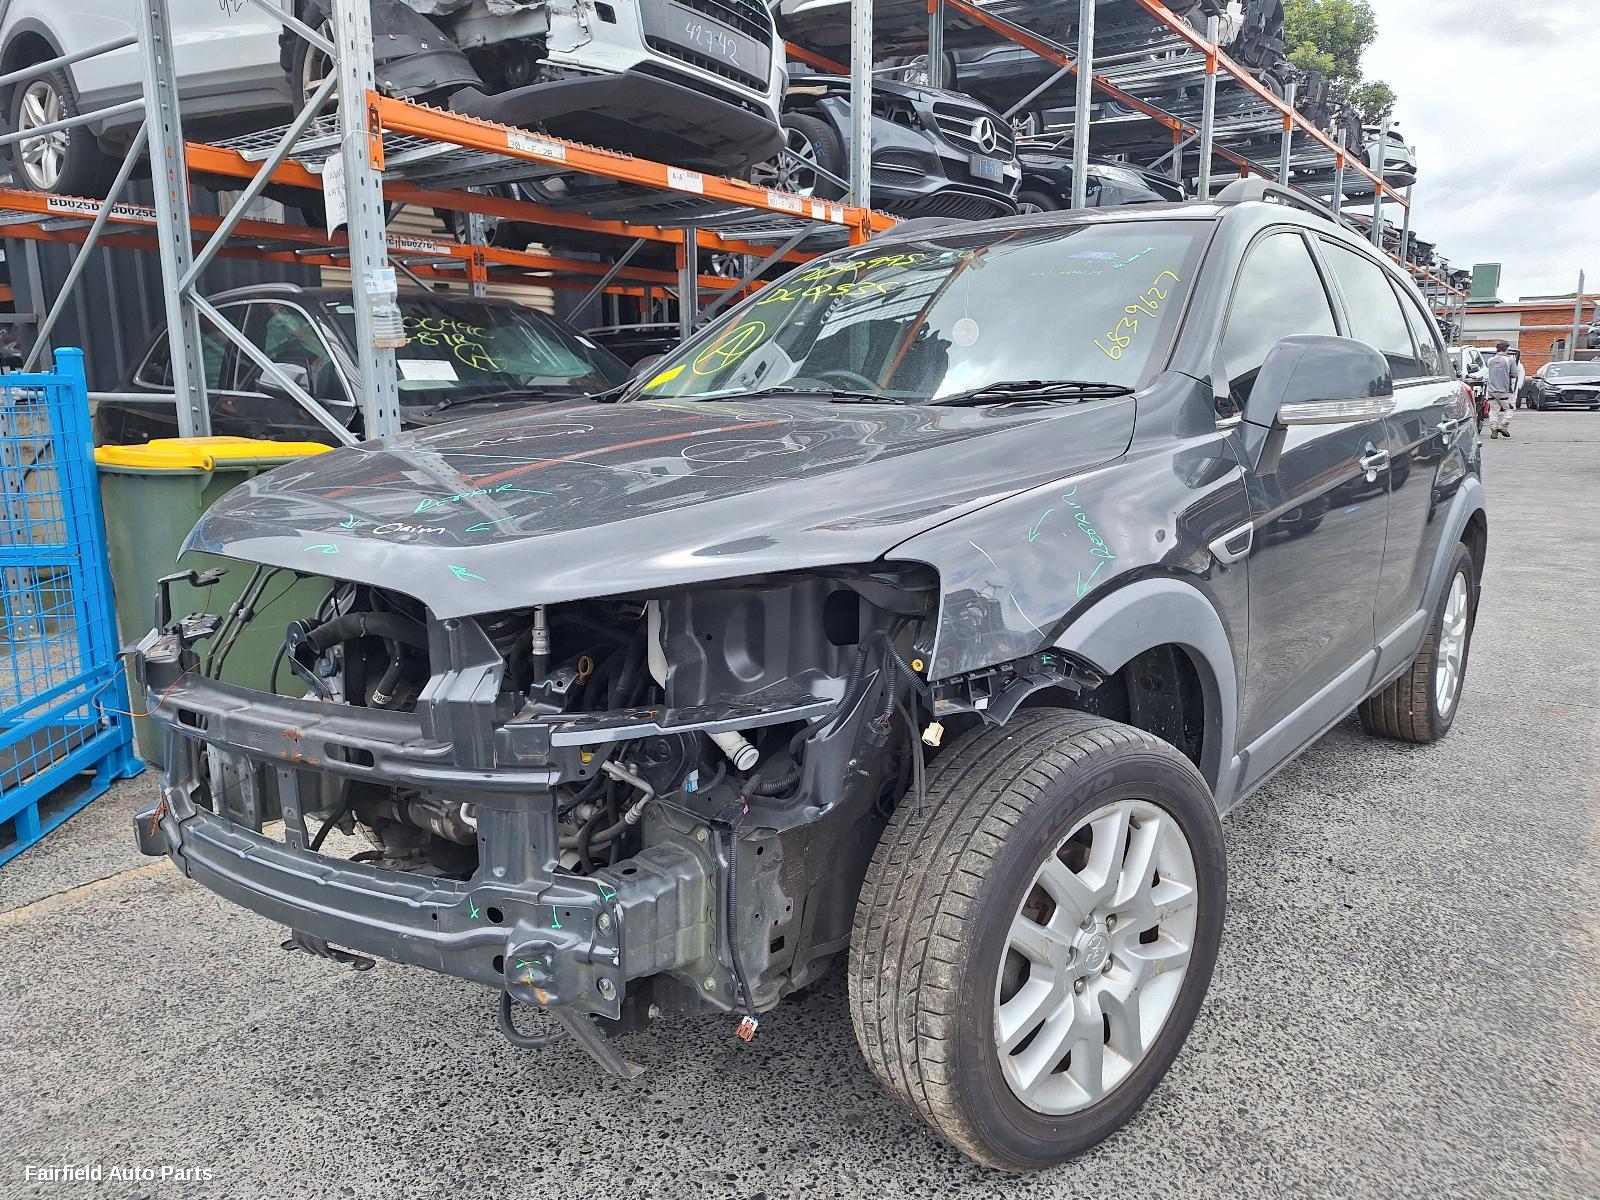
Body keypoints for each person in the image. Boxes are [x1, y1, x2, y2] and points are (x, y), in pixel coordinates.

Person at [1485, 341, 1516, 438]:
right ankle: (1503, 425)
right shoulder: (1509, 360)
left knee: (1494, 411)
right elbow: (1514, 374)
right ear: (1506, 349)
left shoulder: (1490, 360)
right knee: (1510, 409)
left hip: (1491, 390)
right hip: (1504, 391)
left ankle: (1494, 430)